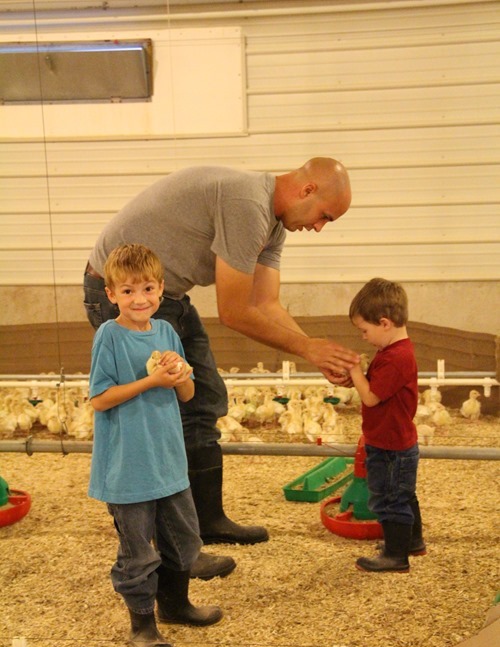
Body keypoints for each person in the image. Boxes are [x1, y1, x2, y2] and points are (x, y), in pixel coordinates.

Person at [83, 158, 359, 581]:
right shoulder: (248, 205)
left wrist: (315, 353)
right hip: (126, 295)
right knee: (158, 415)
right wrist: (308, 348)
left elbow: (265, 303)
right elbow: (234, 311)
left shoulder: (273, 224)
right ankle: (171, 548)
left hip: (167, 296)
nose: (320, 227)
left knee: (204, 398)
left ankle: (204, 523)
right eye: (325, 216)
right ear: (307, 190)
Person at [88, 244, 222, 647]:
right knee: (138, 551)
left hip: (168, 461)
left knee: (183, 537)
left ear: (161, 289)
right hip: (128, 466)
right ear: (111, 295)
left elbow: (188, 394)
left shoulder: (166, 333)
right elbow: (100, 399)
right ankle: (142, 625)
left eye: (147, 289)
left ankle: (176, 605)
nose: (139, 299)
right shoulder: (109, 336)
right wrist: (151, 381)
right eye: (128, 291)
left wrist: (180, 376)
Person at [346, 278, 426, 573]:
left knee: (389, 499)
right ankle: (411, 542)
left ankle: (395, 556)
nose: (363, 337)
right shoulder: (394, 352)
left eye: (364, 330)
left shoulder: (396, 357)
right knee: (403, 495)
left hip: (390, 445)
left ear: (384, 323)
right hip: (394, 439)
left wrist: (354, 370)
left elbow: (371, 397)